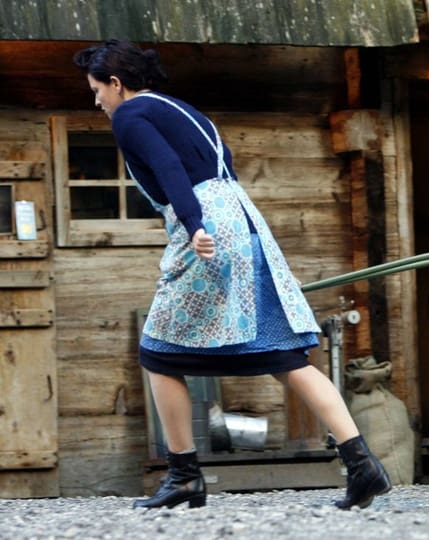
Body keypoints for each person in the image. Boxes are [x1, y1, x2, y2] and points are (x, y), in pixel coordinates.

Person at [73, 40, 390, 510]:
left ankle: (184, 475)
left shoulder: (130, 114)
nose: (96, 99)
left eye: (97, 89)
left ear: (116, 84)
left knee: (158, 351)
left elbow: (169, 169)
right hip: (242, 220)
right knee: (285, 356)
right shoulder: (182, 110)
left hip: (207, 224)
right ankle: (363, 465)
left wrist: (195, 223)